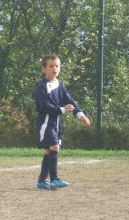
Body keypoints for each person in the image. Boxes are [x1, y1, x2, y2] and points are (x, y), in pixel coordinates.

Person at [34, 54, 90, 190]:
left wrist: (80, 114)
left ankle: (42, 181)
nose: (54, 69)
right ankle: (54, 179)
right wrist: (62, 110)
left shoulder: (60, 84)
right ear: (44, 69)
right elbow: (43, 106)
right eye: (51, 66)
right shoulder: (42, 86)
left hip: (56, 123)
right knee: (54, 147)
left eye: (57, 66)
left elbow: (70, 100)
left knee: (48, 150)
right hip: (45, 123)